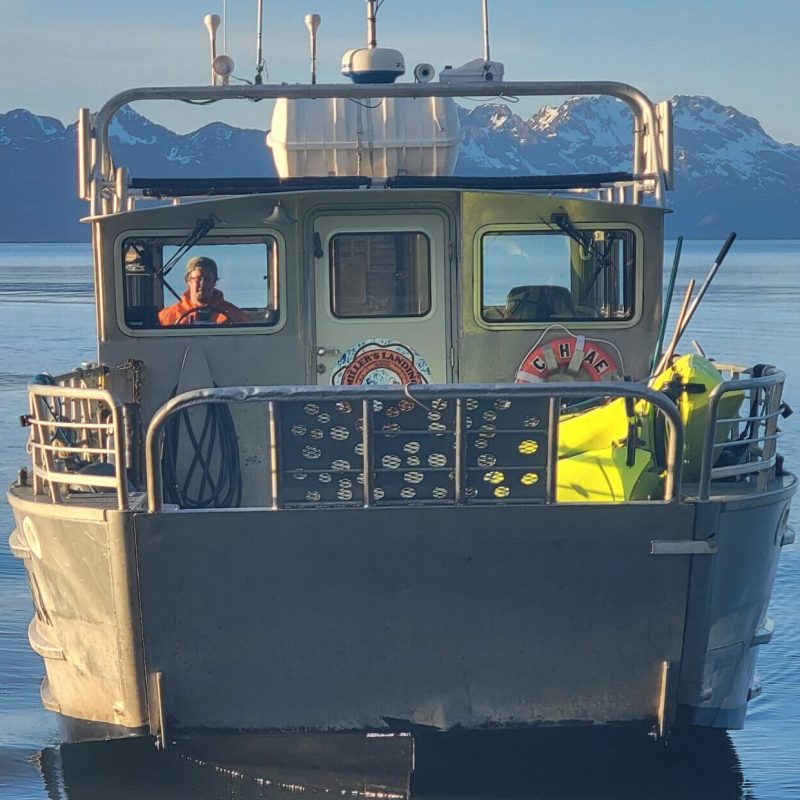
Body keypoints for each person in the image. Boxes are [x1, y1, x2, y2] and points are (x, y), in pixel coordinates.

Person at [158, 256, 246, 326]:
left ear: (214, 282)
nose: (203, 284)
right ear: (188, 281)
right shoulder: (167, 316)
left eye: (208, 279)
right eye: (198, 279)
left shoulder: (234, 314)